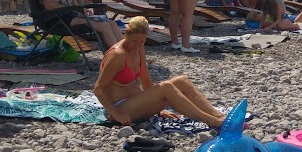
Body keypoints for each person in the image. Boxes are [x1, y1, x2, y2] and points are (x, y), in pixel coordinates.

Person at [95, 16, 225, 129]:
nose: (137, 45)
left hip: (135, 102)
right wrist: (116, 114)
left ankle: (218, 115)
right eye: (134, 41)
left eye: (142, 41)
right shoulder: (118, 55)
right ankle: (211, 121)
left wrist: (157, 107)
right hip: (118, 108)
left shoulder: (138, 49)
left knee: (182, 80)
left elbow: (145, 81)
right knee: (166, 87)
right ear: (126, 35)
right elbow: (98, 89)